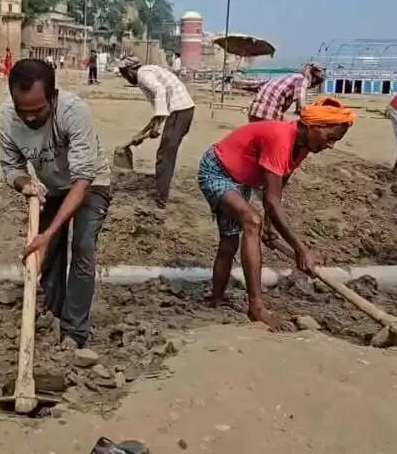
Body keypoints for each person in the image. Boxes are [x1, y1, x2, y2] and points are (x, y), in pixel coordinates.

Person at [198, 97, 357, 329]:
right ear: (313, 127)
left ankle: (216, 299)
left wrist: (270, 226)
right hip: (217, 171)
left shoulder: (302, 146)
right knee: (252, 221)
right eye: (330, 138)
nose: (330, 145)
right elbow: (271, 200)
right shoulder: (281, 138)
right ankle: (256, 308)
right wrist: (301, 250)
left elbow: (277, 187)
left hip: (241, 179)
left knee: (230, 242)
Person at [0, 58, 112, 349]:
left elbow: (83, 179)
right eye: (23, 110)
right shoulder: (6, 119)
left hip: (90, 183)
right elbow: (11, 168)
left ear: (53, 96)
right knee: (48, 254)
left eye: (38, 111)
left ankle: (75, 331)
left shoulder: (73, 112)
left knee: (82, 246)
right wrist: (26, 184)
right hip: (51, 186)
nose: (30, 118)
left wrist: (48, 233)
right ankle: (53, 312)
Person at [119, 58, 195, 207]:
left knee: (165, 154)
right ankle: (161, 191)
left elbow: (161, 91)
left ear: (131, 70)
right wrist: (142, 133)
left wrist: (156, 128)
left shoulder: (143, 74)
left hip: (180, 111)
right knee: (166, 152)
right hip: (182, 110)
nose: (126, 79)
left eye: (125, 75)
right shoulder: (148, 75)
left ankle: (161, 198)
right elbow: (160, 110)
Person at [247, 63, 326, 122]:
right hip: (267, 113)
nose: (315, 85)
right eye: (317, 82)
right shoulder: (302, 79)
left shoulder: (289, 76)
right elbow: (301, 106)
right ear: (314, 78)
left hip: (254, 111)